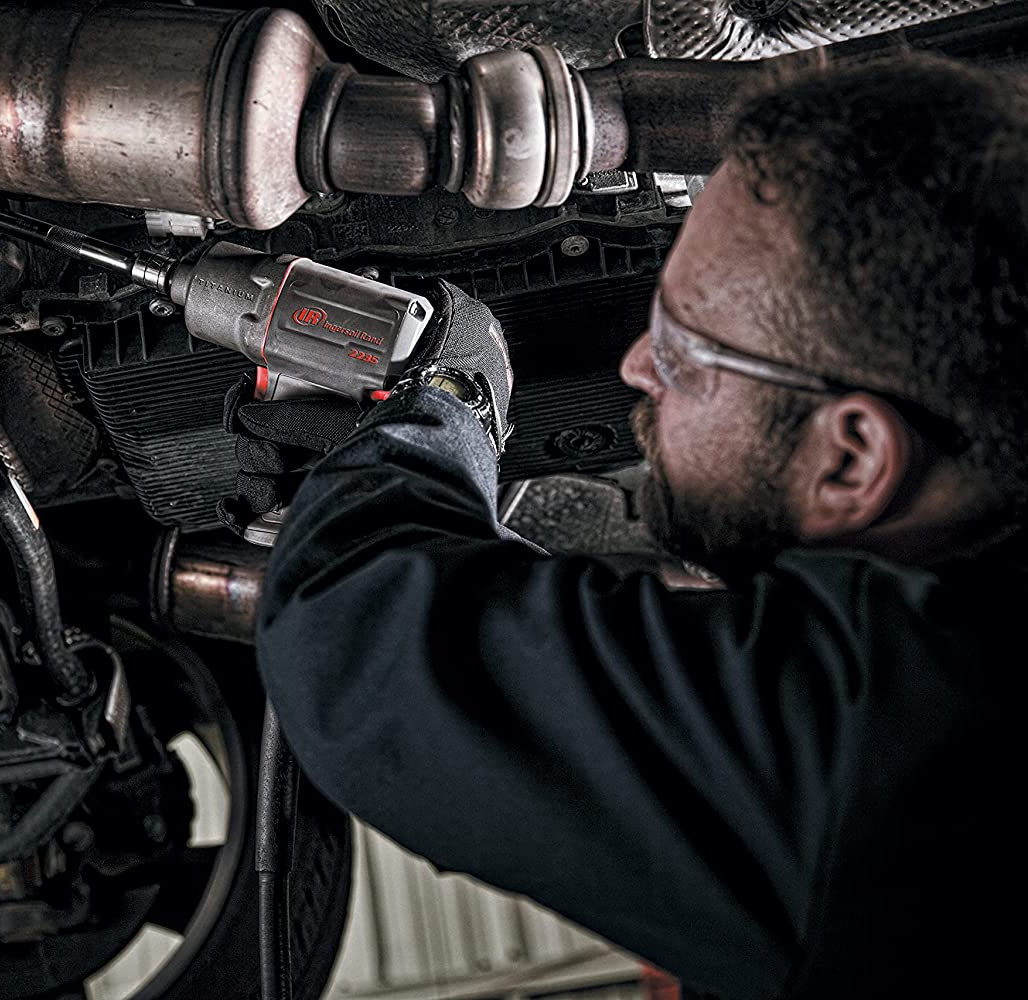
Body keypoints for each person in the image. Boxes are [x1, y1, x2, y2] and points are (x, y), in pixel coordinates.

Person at [223, 56, 1028, 999]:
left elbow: (351, 636)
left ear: (852, 459)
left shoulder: (906, 747)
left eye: (689, 351)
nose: (638, 364)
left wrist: (448, 391)